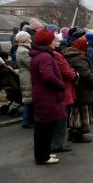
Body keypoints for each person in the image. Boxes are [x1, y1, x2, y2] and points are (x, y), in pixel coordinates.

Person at [29, 29, 67, 165]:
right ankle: (42, 157)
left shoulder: (40, 55)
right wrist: (61, 85)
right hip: (47, 97)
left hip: (43, 96)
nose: (55, 42)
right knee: (45, 129)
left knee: (42, 128)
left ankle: (43, 153)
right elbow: (47, 76)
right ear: (47, 42)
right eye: (53, 40)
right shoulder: (45, 56)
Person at [64, 37, 93, 143]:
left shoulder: (71, 55)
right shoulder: (78, 57)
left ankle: (72, 133)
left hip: (77, 87)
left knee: (75, 112)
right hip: (83, 89)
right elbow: (86, 73)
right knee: (82, 113)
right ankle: (78, 135)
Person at [15, 31, 34, 128]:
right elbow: (31, 64)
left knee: (29, 99)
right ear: (25, 40)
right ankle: (26, 122)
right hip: (27, 77)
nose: (31, 39)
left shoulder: (25, 49)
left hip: (27, 76)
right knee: (28, 99)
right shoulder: (23, 51)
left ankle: (28, 120)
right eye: (29, 37)